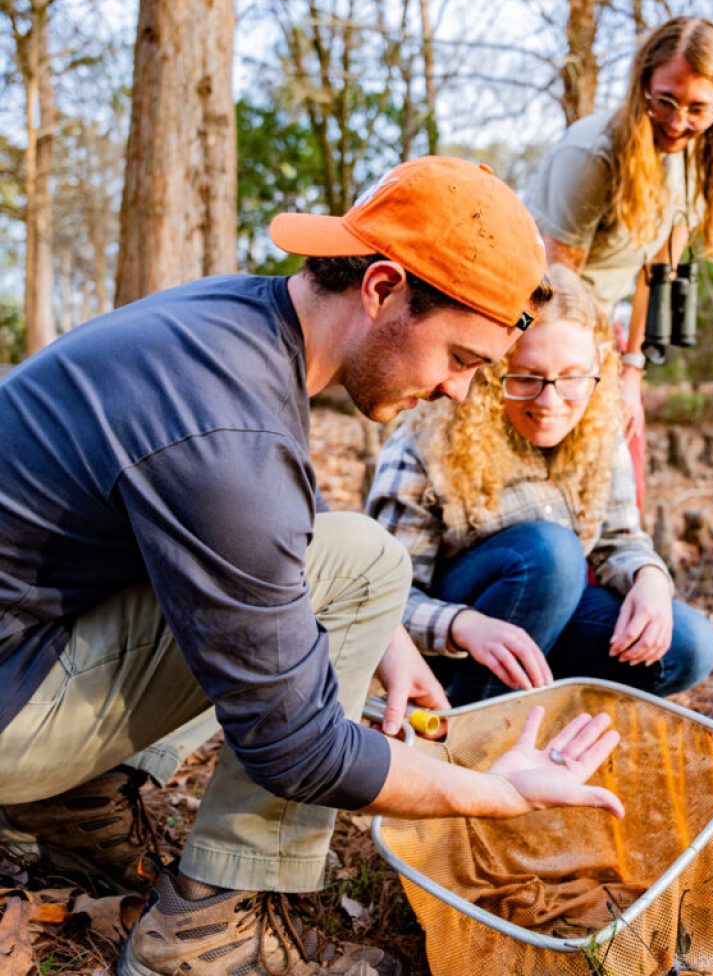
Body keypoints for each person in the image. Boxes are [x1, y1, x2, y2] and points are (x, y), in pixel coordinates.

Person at [0, 157, 627, 976]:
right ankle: (202, 937)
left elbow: (253, 535)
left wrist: (384, 636)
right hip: (13, 704)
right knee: (364, 558)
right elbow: (297, 749)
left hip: (25, 642)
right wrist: (497, 793)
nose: (460, 394)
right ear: (381, 288)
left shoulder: (232, 322)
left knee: (352, 564)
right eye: (464, 359)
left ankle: (70, 803)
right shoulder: (234, 437)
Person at [366, 265, 713, 708]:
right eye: (527, 377)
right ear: (494, 373)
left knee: (689, 643)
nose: (550, 403)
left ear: (599, 368)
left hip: (551, 631)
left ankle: (548, 709)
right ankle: (479, 727)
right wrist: (463, 626)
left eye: (572, 378)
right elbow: (382, 600)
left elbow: (620, 541)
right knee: (552, 553)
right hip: (455, 647)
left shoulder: (601, 427)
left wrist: (649, 579)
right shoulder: (425, 441)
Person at [523, 16, 713, 508]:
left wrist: (631, 371)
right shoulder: (594, 156)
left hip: (607, 332)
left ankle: (624, 576)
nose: (676, 121)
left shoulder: (695, 162)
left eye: (696, 108)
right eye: (664, 100)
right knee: (567, 483)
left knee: (625, 479)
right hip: (540, 329)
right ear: (642, 83)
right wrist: (584, 377)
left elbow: (657, 272)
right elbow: (558, 289)